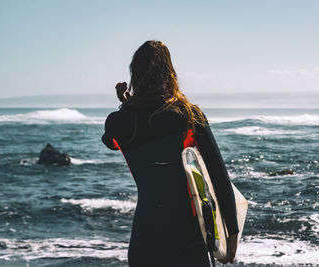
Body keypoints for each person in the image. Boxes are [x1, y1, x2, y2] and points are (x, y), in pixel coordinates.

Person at [102, 40, 239, 267]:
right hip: (187, 237)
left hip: (145, 238)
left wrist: (128, 106)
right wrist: (231, 234)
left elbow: (112, 141)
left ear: (135, 73)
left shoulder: (119, 121)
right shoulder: (188, 115)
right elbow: (218, 175)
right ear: (169, 72)